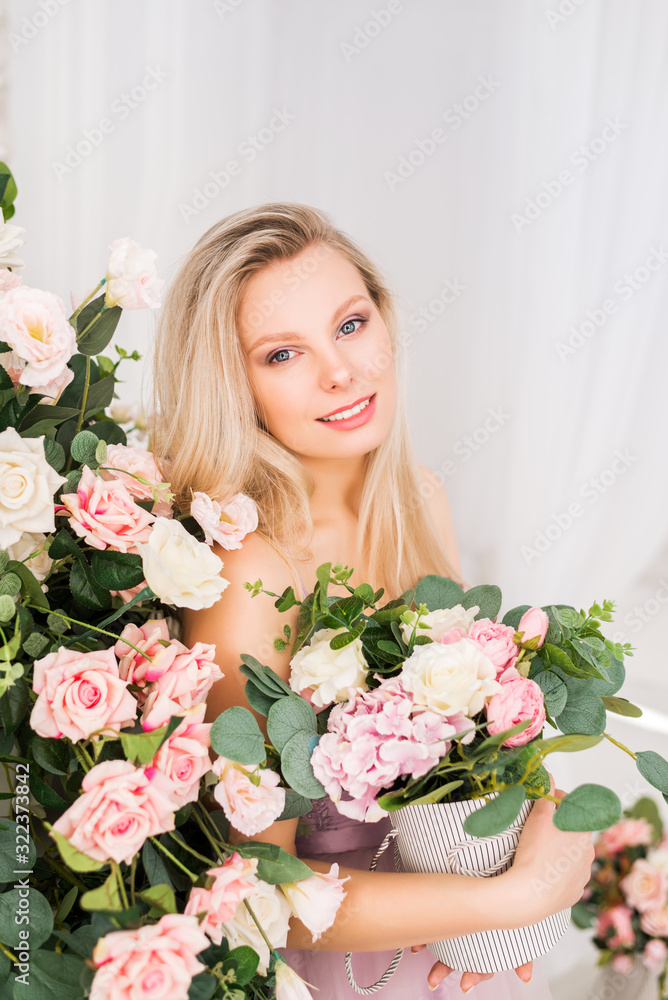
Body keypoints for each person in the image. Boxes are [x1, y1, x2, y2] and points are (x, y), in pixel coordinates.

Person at [151, 203, 595, 998]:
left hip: (446, 949)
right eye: (283, 352)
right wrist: (512, 897)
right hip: (335, 975)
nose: (340, 373)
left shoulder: (421, 500)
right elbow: (258, 888)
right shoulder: (253, 568)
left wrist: (537, 826)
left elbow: (469, 756)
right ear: (234, 384)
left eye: (350, 326)